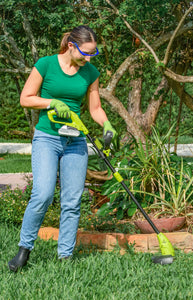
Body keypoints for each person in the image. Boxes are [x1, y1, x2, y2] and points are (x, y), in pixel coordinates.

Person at [8, 25, 116, 272]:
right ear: (71, 46)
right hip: (47, 138)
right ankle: (24, 250)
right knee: (43, 193)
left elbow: (95, 108)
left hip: (75, 141)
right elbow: (26, 98)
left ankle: (65, 257)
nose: (88, 59)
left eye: (93, 54)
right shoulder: (46, 64)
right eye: (85, 53)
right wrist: (52, 103)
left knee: (72, 200)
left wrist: (107, 124)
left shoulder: (90, 72)